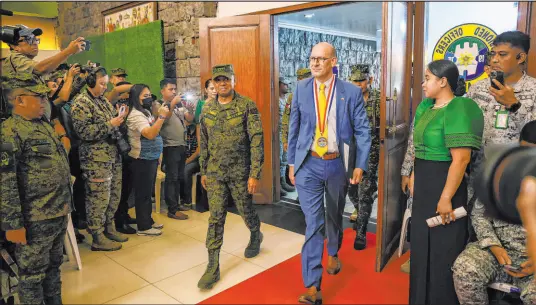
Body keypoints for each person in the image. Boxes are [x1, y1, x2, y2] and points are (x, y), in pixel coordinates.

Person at [287, 42, 371, 304]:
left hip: (337, 164)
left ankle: (333, 250)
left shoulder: (350, 92)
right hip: (308, 164)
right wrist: (291, 162)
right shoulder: (301, 89)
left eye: (321, 59)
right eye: (312, 58)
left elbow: (362, 131)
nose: (314, 63)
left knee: (334, 214)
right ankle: (313, 286)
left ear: (333, 62)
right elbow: (294, 127)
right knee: (314, 223)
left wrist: (360, 164)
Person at [408, 59, 484, 305]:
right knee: (421, 244)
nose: (423, 83)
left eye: (428, 78)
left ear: (443, 82)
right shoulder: (425, 108)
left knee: (443, 247)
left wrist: (445, 197)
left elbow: (461, 160)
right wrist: (413, 175)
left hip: (446, 183)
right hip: (424, 182)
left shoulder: (460, 108)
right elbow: (417, 148)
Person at [0, 72, 72, 305]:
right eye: (39, 97)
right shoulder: (9, 131)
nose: (44, 102)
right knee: (32, 276)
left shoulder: (42, 125)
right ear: (19, 100)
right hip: (34, 219)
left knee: (53, 268)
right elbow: (6, 182)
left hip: (57, 212)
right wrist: (13, 225)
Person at [452, 121, 536, 304]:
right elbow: (480, 214)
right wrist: (493, 245)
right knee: (465, 269)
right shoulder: (501, 173)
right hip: (498, 252)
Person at [198, 64, 264, 290]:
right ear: (213, 84)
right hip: (215, 173)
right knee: (215, 217)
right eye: (218, 80)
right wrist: (204, 170)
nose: (222, 83)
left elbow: (256, 140)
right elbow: (204, 142)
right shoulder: (207, 109)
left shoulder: (247, 106)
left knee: (246, 210)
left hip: (240, 173)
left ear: (233, 80)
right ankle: (212, 266)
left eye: (226, 79)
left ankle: (255, 233)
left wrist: (254, 173)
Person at [71, 67, 129, 251]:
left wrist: (120, 118)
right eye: (102, 83)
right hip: (96, 159)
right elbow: (83, 132)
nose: (105, 87)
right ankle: (97, 235)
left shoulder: (102, 100)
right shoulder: (81, 103)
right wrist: (110, 124)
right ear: (90, 82)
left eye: (106, 83)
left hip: (112, 155)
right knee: (98, 198)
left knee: (114, 194)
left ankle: (109, 227)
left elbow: (111, 123)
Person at [3, 25, 86, 120]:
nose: (35, 43)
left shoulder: (26, 66)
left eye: (35, 39)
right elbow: (40, 69)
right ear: (14, 46)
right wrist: (68, 51)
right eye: (29, 39)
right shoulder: (14, 58)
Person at [126, 84, 169, 236]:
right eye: (145, 96)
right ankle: (143, 227)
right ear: (136, 98)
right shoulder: (135, 115)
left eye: (150, 95)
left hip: (151, 157)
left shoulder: (145, 112)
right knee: (143, 193)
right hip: (141, 158)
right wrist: (162, 117)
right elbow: (150, 134)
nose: (149, 98)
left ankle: (148, 220)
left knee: (147, 193)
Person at [348, 64, 380, 250]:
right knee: (351, 190)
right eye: (355, 81)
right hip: (351, 150)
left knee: (365, 192)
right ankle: (361, 213)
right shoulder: (348, 99)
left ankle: (361, 232)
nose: (359, 85)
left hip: (371, 150)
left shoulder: (379, 99)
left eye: (362, 81)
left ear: (370, 80)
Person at [152, 79, 190, 219]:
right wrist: (173, 103)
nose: (174, 92)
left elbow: (189, 119)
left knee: (178, 177)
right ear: (162, 91)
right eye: (170, 89)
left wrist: (190, 108)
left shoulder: (178, 106)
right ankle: (172, 210)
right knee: (172, 178)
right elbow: (164, 118)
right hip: (170, 146)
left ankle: (176, 203)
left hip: (181, 145)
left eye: (175, 89)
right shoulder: (157, 105)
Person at [281, 68, 312, 152]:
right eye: (300, 80)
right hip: (298, 140)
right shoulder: (293, 97)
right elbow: (286, 119)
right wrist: (285, 140)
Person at [180, 105, 201, 207]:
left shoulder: (196, 130)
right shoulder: (181, 131)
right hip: (182, 159)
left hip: (196, 160)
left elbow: (199, 151)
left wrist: (187, 161)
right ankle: (175, 197)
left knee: (186, 170)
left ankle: (186, 199)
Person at [278, 77, 293, 195]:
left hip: (286, 133)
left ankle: (283, 181)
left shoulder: (287, 99)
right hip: (277, 133)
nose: (287, 87)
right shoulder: (275, 100)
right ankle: (278, 183)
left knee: (284, 159)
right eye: (285, 85)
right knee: (278, 159)